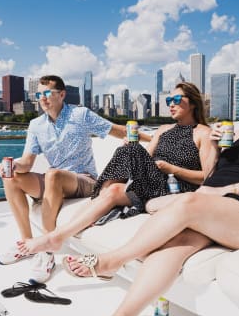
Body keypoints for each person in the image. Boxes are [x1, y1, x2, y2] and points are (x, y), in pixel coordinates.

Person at [65, 77, 239, 316]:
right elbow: (212, 175)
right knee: (171, 247)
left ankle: (112, 261)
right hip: (217, 208)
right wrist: (220, 150)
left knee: (186, 204)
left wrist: (223, 191)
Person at [17, 82, 216, 258]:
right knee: (122, 164)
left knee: (130, 152)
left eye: (176, 99)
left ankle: (58, 234)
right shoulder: (163, 130)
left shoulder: (203, 134)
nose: (170, 103)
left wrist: (172, 168)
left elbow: (208, 179)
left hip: (175, 188)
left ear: (192, 102)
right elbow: (145, 158)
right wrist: (130, 144)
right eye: (169, 99)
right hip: (151, 183)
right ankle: (62, 232)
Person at [0, 75, 144, 283]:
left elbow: (116, 130)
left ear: (62, 94)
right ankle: (27, 243)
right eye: (38, 94)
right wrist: (11, 167)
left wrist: (154, 138)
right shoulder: (36, 125)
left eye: (47, 93)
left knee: (53, 174)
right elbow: (27, 163)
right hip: (55, 180)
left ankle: (47, 252)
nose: (42, 98)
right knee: (12, 178)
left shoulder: (80, 114)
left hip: (85, 181)